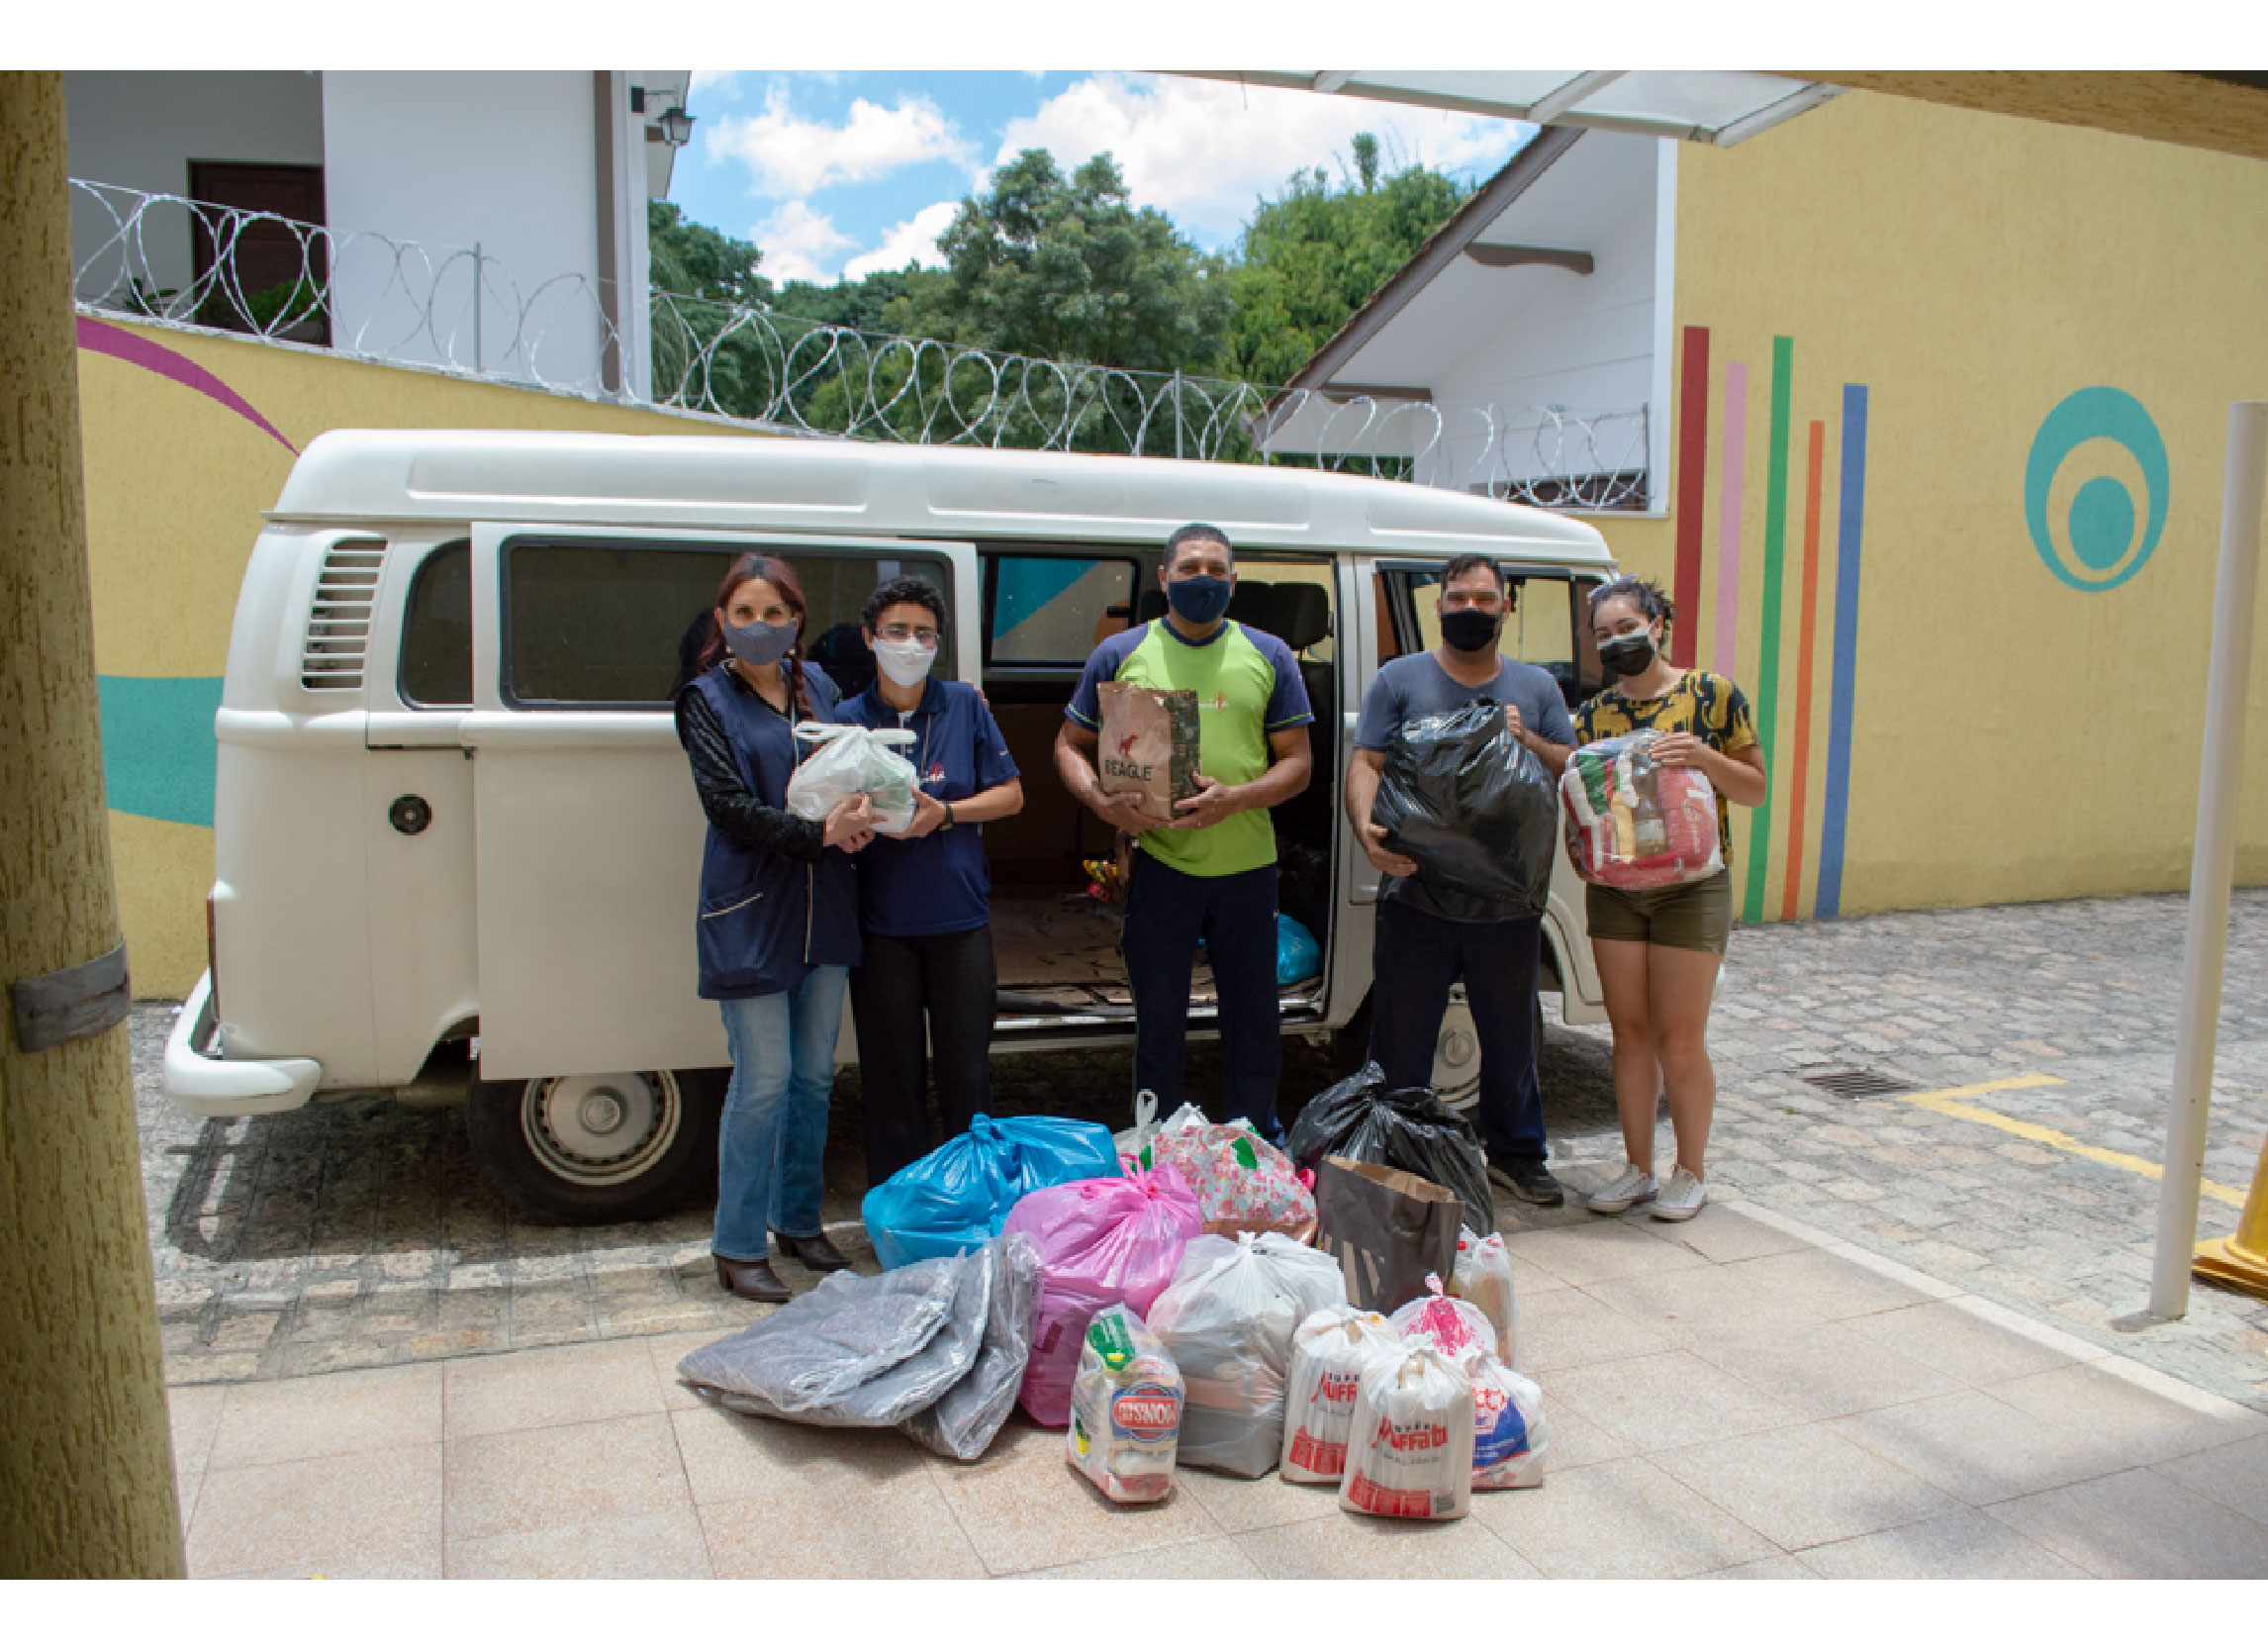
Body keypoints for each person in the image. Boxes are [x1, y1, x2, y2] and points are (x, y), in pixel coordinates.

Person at [1055, 523, 1313, 1141]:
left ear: (1233, 580)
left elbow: (1299, 765)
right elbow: (1069, 743)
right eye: (1191, 567)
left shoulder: (1269, 656)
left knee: (1253, 1020)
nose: (1204, 579)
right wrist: (1100, 801)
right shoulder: (1121, 655)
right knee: (1159, 1021)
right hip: (1161, 866)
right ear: (1165, 576)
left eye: (1217, 570)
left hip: (1247, 870)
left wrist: (1237, 799)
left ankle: (1252, 1144)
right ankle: (1158, 1144)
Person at [1345, 554, 1578, 1209]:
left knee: (1510, 1039)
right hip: (1417, 892)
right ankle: (1398, 1157)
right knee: (1400, 1039)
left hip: (1505, 902)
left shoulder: (1535, 687)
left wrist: (1524, 737)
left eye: (1484, 597)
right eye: (1457, 597)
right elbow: (1367, 761)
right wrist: (1366, 828)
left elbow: (1569, 763)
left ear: (1507, 608)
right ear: (1439, 606)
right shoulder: (1400, 679)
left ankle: (1516, 1155)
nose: (1470, 608)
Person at [675, 553, 876, 1303]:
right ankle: (735, 1244)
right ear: (722, 620)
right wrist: (819, 834)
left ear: (797, 622)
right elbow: (726, 806)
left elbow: (847, 773)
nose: (760, 627)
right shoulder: (703, 700)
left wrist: (861, 818)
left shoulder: (817, 686)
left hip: (823, 905)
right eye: (745, 613)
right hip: (752, 909)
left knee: (815, 1078)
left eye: (775, 614)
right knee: (762, 1079)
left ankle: (798, 1220)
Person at [1572, 574, 1767, 1222]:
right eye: (1604, 634)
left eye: (1627, 626)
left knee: (1679, 1038)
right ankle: (1636, 1167)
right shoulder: (1593, 716)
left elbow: (1754, 788)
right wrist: (1579, 843)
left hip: (1692, 889)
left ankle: (1691, 1169)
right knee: (1628, 1035)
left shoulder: (1711, 695)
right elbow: (1588, 800)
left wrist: (1704, 757)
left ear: (1657, 624)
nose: (1617, 641)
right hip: (1618, 891)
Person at [838, 576, 1024, 1187]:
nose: (909, 643)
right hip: (881, 927)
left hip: (959, 923)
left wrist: (945, 813)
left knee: (967, 1077)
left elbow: (1011, 796)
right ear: (870, 639)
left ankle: (970, 1201)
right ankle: (903, 1208)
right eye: (896, 631)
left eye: (923, 633)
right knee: (892, 1081)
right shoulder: (848, 720)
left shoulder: (965, 705)